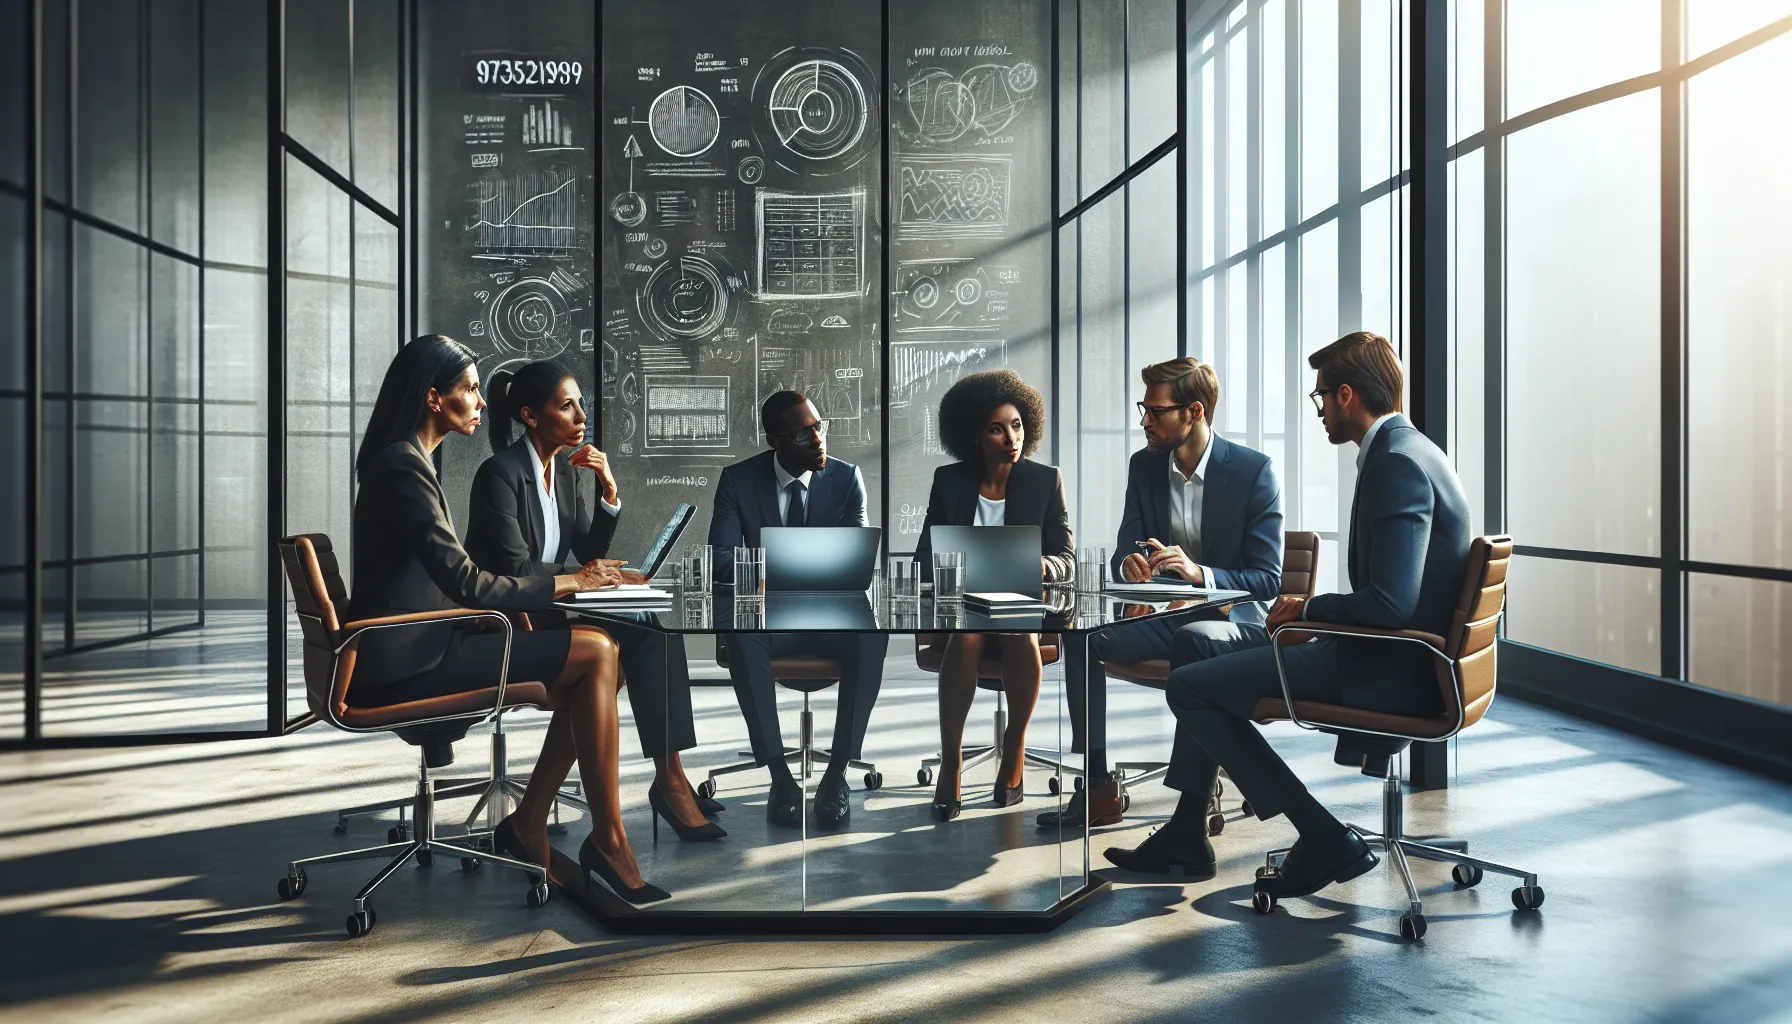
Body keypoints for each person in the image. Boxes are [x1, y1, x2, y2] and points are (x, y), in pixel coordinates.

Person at [1103, 332, 1472, 904]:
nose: (1320, 409)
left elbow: (1391, 605)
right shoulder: (1413, 449)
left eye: (1321, 396)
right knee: (1199, 648)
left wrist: (1309, 608)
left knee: (1190, 689)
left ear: (1346, 395)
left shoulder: (1394, 462)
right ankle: (1185, 831)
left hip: (1385, 668)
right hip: (1393, 655)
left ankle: (1319, 832)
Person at [345, 335, 668, 904]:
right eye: (469, 389)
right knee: (596, 654)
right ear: (433, 398)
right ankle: (605, 840)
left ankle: (530, 823)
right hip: (410, 656)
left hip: (427, 639)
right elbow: (466, 580)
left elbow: (448, 582)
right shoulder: (404, 465)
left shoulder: (408, 459)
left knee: (596, 658)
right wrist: (572, 581)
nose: (480, 401)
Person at [464, 359, 723, 843]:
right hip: (510, 617)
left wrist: (609, 495)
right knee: (621, 649)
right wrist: (585, 577)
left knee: (651, 627)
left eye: (581, 403)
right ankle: (663, 788)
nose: (582, 415)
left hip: (551, 606)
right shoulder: (499, 474)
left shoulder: (563, 472)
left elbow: (588, 552)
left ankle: (670, 777)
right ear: (530, 415)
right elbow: (514, 570)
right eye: (567, 406)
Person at [1041, 358, 1282, 829]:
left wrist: (1199, 573)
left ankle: (1189, 806)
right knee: (1081, 635)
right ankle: (1096, 784)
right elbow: (1122, 552)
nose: (1145, 421)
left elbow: (1267, 579)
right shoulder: (1145, 466)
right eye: (1143, 408)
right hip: (1163, 617)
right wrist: (1130, 566)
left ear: (1194, 412)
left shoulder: (1255, 472)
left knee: (1198, 642)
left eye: (1156, 411)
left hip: (1231, 624)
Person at [709, 391, 890, 831]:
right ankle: (779, 776)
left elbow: (855, 561)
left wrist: (769, 562)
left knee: (873, 635)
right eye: (803, 433)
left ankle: (836, 775)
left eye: (819, 426)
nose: (817, 438)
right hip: (768, 620)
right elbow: (722, 560)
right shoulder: (737, 480)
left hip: (832, 619)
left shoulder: (847, 478)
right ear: (775, 441)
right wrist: (797, 566)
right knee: (741, 634)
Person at [913, 370, 1074, 822]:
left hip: (1024, 602)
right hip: (965, 603)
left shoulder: (1045, 481)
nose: (1010, 437)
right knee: (966, 636)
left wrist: (1041, 565)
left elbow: (1066, 555)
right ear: (974, 436)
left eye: (1017, 425)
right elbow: (926, 555)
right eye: (996, 428)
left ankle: (1015, 750)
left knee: (1020, 632)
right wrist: (954, 571)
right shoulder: (950, 481)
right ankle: (952, 763)